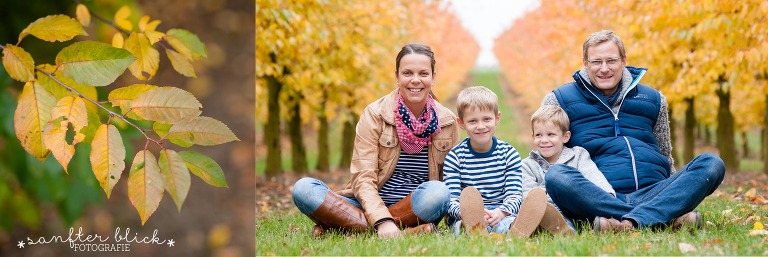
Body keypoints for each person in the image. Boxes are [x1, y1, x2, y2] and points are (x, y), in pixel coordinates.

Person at [540, 30, 726, 232]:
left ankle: (624, 223)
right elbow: (546, 147)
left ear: (623, 61)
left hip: (656, 191)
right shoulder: (560, 99)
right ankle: (661, 217)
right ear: (585, 63)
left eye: (611, 61)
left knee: (712, 163)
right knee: (556, 175)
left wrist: (675, 191)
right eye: (596, 62)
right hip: (600, 195)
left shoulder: (654, 99)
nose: (604, 69)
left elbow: (665, 154)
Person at [291, 43, 460, 239]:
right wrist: (382, 220)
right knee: (304, 189)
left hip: (418, 207)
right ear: (397, 77)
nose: (415, 80)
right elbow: (363, 178)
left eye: (423, 73)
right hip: (368, 203)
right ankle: (401, 231)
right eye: (407, 73)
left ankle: (350, 227)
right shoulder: (375, 114)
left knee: (439, 192)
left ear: (433, 77)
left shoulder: (447, 121)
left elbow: (453, 180)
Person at [443, 86, 547, 237]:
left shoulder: (508, 154)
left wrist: (501, 212)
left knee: (510, 223)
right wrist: (469, 213)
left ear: (497, 118)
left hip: (500, 215)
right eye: (472, 121)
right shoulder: (455, 157)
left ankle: (518, 230)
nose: (480, 126)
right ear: (461, 123)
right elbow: (452, 200)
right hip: (465, 217)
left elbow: (514, 194)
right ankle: (475, 228)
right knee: (462, 226)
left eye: (486, 119)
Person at [519, 105, 616, 235]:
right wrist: (538, 194)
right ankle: (563, 231)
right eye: (538, 135)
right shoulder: (527, 165)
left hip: (577, 208)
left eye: (551, 134)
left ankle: (582, 229)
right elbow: (526, 193)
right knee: (547, 213)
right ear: (533, 137)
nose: (544, 140)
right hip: (547, 210)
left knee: (588, 213)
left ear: (565, 137)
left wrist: (606, 195)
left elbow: (593, 175)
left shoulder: (577, 155)